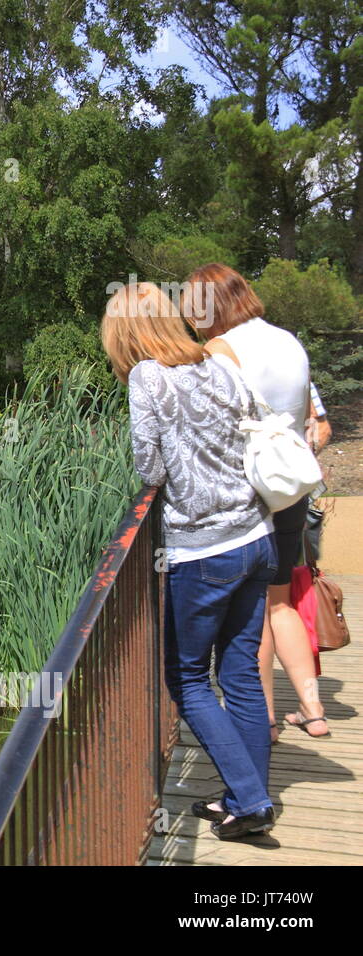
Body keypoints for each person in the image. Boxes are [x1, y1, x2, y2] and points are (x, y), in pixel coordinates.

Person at [102, 281, 277, 840]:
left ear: (124, 331)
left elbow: (149, 469)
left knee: (189, 682)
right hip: (255, 536)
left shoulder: (147, 377)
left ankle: (249, 801)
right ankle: (245, 793)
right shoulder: (219, 361)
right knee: (242, 675)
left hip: (203, 550)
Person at [182, 264, 329, 741]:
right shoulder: (289, 340)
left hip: (247, 490)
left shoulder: (221, 350)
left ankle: (260, 716)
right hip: (288, 484)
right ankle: (313, 709)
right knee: (281, 602)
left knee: (252, 610)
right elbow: (306, 409)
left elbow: (206, 423)